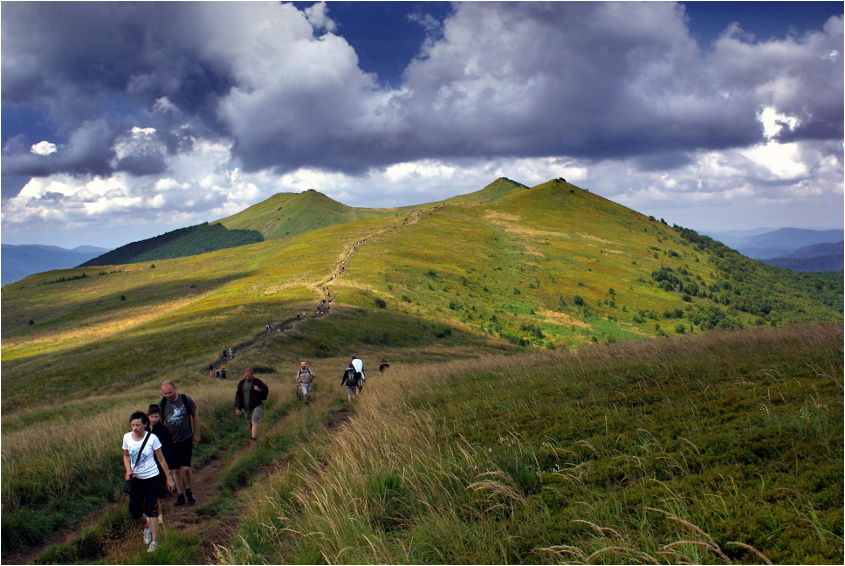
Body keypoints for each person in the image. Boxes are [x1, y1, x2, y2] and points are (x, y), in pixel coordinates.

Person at [123, 410, 175, 553]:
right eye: (133, 425)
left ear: (145, 425)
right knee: (134, 510)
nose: (135, 428)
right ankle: (146, 526)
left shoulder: (152, 438)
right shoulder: (127, 437)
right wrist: (128, 470)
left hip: (152, 478)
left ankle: (155, 541)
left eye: (138, 425)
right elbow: (126, 456)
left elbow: (161, 459)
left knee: (151, 508)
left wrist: (168, 478)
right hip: (136, 479)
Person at [159, 381, 200, 506]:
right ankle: (180, 494)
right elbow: (159, 422)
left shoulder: (185, 399)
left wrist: (197, 434)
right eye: (165, 393)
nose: (168, 396)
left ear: (175, 389)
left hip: (186, 438)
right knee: (176, 470)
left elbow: (195, 415)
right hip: (171, 442)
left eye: (170, 392)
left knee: (186, 468)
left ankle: (188, 490)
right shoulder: (162, 403)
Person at [147, 404, 174, 516]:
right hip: (147, 463)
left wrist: (169, 466)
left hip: (160, 463)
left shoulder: (164, 430)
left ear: (160, 417)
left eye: (156, 416)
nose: (154, 419)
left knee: (160, 489)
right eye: (152, 416)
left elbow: (169, 448)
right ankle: (150, 511)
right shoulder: (143, 429)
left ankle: (160, 512)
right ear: (147, 416)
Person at [234, 368, 269, 443]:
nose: (247, 378)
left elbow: (266, 390)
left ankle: (253, 439)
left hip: (257, 405)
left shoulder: (257, 382)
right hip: (246, 407)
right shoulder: (241, 383)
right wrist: (238, 408)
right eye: (246, 376)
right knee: (250, 423)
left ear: (252, 375)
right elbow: (238, 396)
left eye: (249, 376)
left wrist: (259, 390)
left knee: (254, 420)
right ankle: (254, 435)